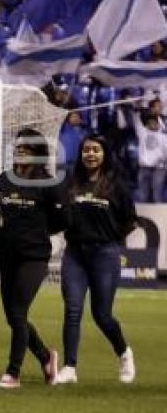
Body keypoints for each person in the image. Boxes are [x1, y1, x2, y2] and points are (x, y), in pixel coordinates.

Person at [55, 134, 136, 385]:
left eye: (96, 150)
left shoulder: (116, 185)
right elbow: (60, 214)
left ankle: (124, 353)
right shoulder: (70, 182)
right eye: (86, 150)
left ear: (104, 154)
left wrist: (109, 238)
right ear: (80, 154)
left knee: (102, 315)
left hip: (105, 255)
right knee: (73, 309)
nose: (90, 154)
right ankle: (69, 367)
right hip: (74, 254)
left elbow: (130, 221)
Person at [0, 129, 63, 388]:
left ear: (38, 154)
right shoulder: (4, 179)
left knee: (19, 312)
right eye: (18, 147)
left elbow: (63, 219)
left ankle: (13, 373)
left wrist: (39, 232)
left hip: (34, 256)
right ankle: (46, 357)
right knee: (13, 317)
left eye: (27, 148)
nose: (20, 151)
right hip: (6, 253)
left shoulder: (49, 183)